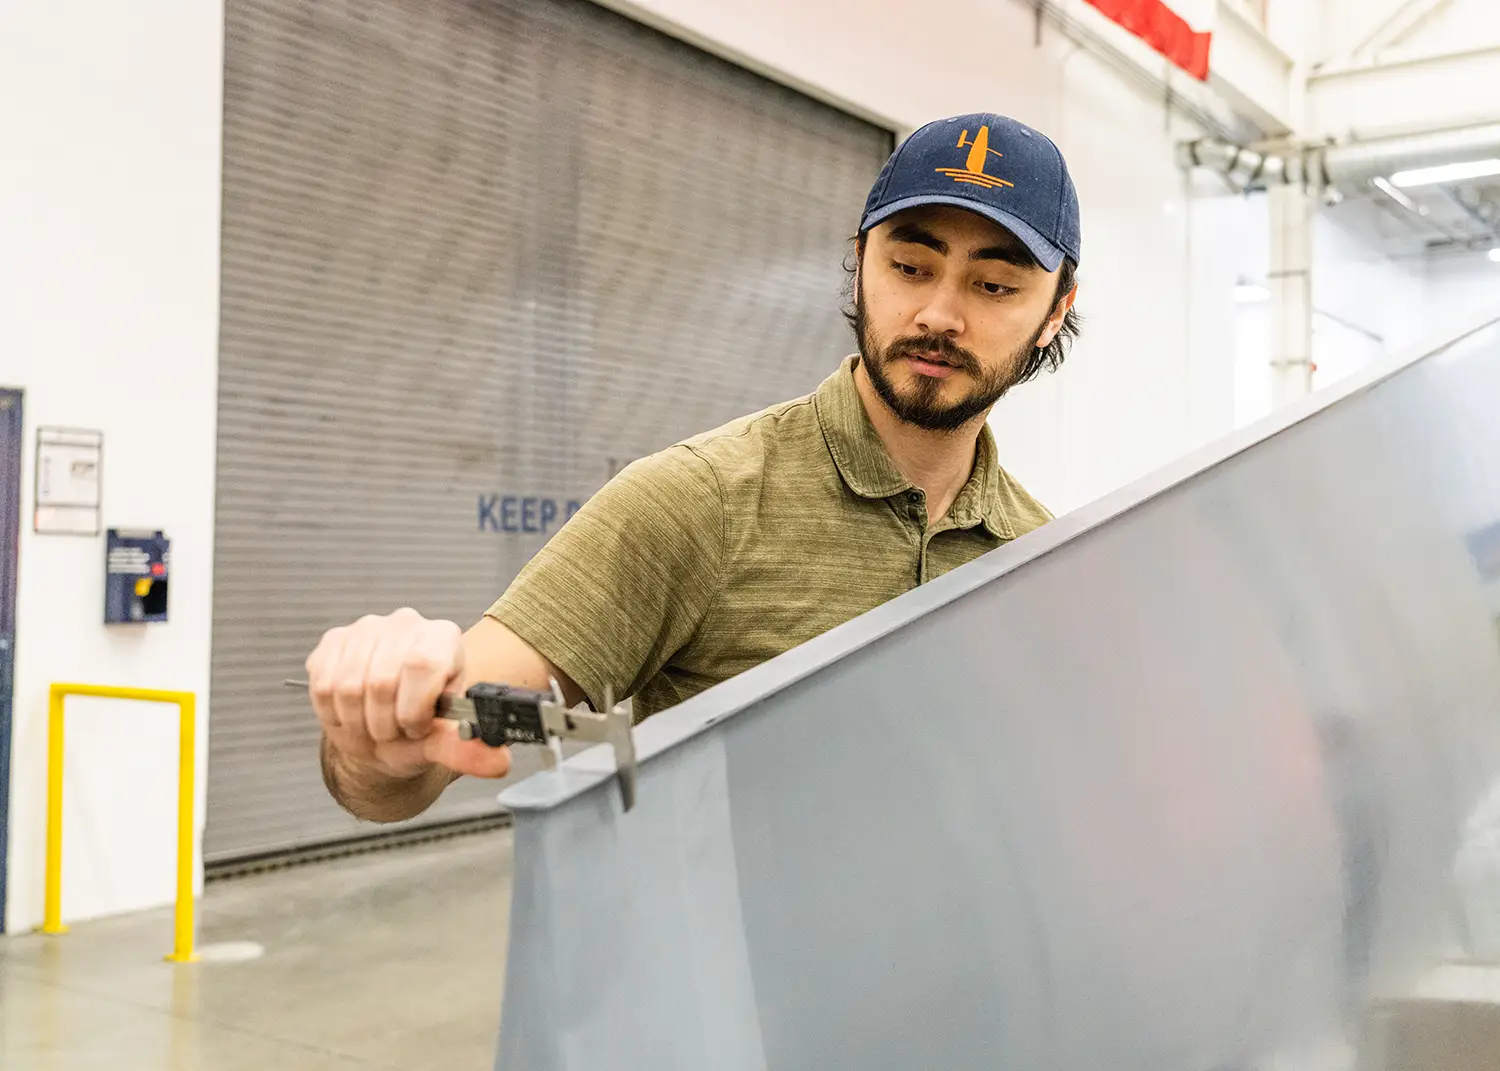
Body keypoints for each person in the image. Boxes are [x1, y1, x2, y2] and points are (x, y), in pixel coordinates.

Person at [304, 112, 1082, 822]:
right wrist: (377, 727)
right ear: (859, 264)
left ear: (1055, 310)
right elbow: (417, 752)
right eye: (911, 266)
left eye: (994, 285)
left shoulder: (1046, 562)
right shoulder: (698, 502)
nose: (939, 314)